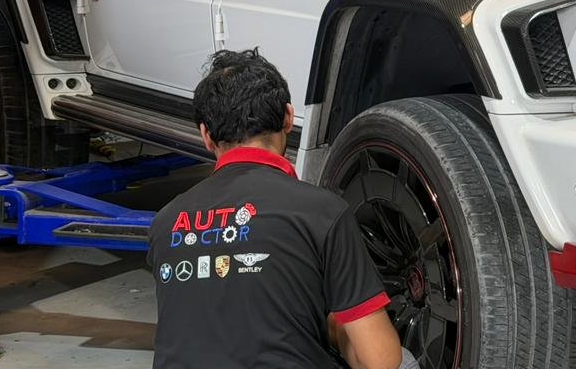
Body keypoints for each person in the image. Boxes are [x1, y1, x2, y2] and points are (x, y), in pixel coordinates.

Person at [146, 48, 415, 369]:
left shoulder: (166, 221)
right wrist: (335, 325)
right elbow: (381, 360)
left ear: (206, 135)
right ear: (288, 117)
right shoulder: (322, 211)